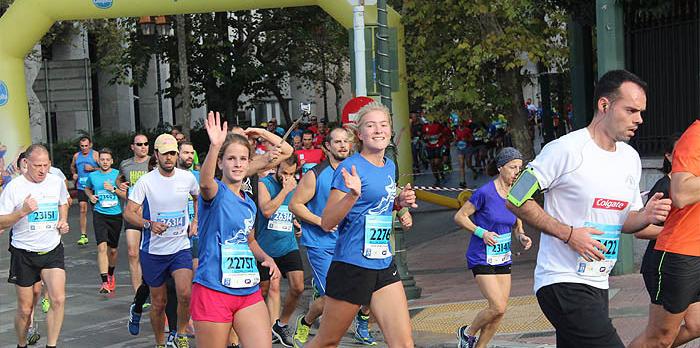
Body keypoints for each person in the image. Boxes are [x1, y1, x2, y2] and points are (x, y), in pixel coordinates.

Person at [506, 70, 671, 347]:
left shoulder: (630, 158)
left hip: (597, 282)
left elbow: (622, 221)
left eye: (641, 112)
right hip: (562, 280)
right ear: (604, 105)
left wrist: (645, 216)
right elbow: (516, 196)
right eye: (631, 110)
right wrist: (569, 234)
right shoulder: (565, 149)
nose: (639, 119)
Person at [306, 102, 417, 348]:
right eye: (370, 125)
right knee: (328, 341)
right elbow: (327, 221)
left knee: (404, 343)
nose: (378, 130)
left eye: (383, 124)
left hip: (383, 262)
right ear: (360, 134)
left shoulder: (388, 165)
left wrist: (399, 202)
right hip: (352, 265)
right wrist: (351, 195)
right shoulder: (350, 167)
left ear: (390, 130)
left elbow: (376, 204)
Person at [193, 111, 280, 347]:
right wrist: (215, 146)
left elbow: (249, 241)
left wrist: (266, 258)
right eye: (231, 158)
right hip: (213, 290)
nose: (238, 164)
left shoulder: (249, 203)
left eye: (243, 159)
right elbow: (204, 182)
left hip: (247, 290)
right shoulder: (215, 194)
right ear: (221, 162)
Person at [124, 134, 199, 348]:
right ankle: (160, 343)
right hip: (154, 252)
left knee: (185, 293)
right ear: (156, 155)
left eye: (173, 153)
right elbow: (129, 213)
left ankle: (180, 335)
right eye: (165, 153)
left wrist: (195, 220)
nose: (169, 158)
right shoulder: (146, 182)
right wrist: (148, 223)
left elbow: (198, 197)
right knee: (158, 303)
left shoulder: (187, 178)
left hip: (180, 247)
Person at [629, 120, 700, 347]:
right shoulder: (695, 136)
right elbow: (680, 192)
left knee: (696, 325)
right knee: (660, 338)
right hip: (680, 254)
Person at [454, 148, 532, 348]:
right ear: (500, 168)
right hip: (481, 256)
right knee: (496, 306)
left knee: (500, 311)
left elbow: (516, 221)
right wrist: (482, 233)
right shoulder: (485, 193)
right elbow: (460, 216)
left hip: (502, 257)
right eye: (512, 167)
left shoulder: (517, 193)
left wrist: (521, 235)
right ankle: (467, 333)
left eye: (519, 168)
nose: (516, 172)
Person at [0, 144, 70, 348]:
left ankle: (52, 345)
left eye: (45, 165)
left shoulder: (56, 182)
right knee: (25, 309)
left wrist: (63, 220)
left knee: (58, 299)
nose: (42, 170)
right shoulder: (15, 186)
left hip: (52, 249)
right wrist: (21, 212)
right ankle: (21, 344)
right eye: (37, 165)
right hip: (24, 253)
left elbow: (63, 202)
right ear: (26, 164)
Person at [256, 155, 301, 347]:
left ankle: (280, 323)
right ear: (275, 168)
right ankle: (269, 331)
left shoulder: (294, 185)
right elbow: (267, 211)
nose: (286, 177)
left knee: (298, 286)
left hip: (288, 244)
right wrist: (284, 191)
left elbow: (293, 209)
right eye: (283, 172)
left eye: (291, 173)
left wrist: (296, 222)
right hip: (267, 248)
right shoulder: (264, 184)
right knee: (270, 288)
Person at [84, 148, 126, 294]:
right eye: (102, 159)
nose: (105, 162)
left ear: (112, 161)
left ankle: (110, 274)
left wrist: (114, 189)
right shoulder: (93, 176)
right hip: (99, 214)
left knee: (113, 250)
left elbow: (125, 195)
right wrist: (90, 196)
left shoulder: (117, 175)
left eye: (108, 160)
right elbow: (87, 188)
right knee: (102, 247)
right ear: (98, 161)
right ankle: (104, 282)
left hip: (115, 215)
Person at [70, 136, 99, 246]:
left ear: (90, 145)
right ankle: (83, 235)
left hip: (93, 187)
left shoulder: (95, 155)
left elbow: (104, 168)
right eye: (82, 146)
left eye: (86, 146)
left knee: (96, 210)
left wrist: (92, 169)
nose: (84, 148)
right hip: (81, 186)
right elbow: (72, 167)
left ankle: (98, 233)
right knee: (82, 209)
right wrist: (74, 173)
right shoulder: (77, 156)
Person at [423, 118, 445, 186]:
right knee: (432, 163)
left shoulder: (438, 125)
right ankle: (437, 179)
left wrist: (438, 135)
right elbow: (423, 135)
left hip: (438, 145)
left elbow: (443, 132)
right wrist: (426, 137)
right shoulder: (425, 126)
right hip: (429, 146)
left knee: (437, 162)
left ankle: (442, 173)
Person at [455, 120, 474, 188]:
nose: (459, 123)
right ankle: (462, 181)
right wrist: (456, 139)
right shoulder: (456, 130)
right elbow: (455, 139)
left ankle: (473, 169)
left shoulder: (467, 130)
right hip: (460, 148)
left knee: (468, 164)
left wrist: (466, 139)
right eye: (458, 122)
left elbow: (472, 138)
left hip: (467, 148)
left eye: (461, 122)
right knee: (461, 165)